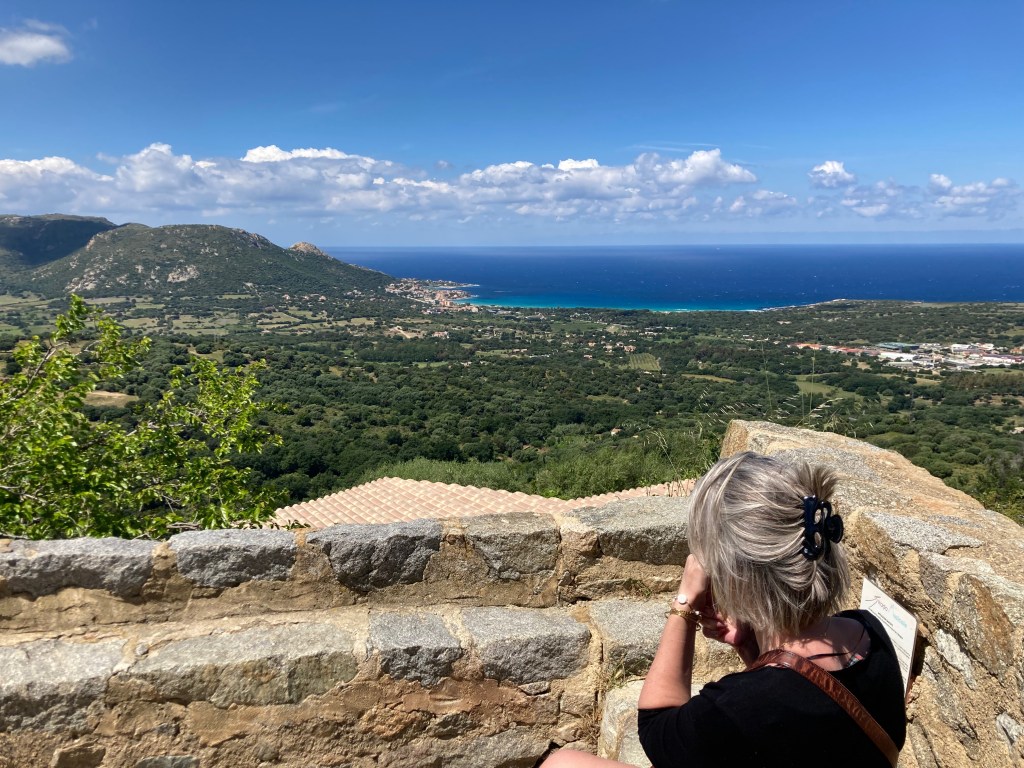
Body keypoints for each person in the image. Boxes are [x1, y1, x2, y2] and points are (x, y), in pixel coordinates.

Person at [541, 451, 906, 768]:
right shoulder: (869, 632)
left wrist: (685, 602)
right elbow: (796, 714)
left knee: (562, 763)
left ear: (737, 573)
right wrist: (750, 646)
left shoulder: (738, 706)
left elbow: (658, 730)